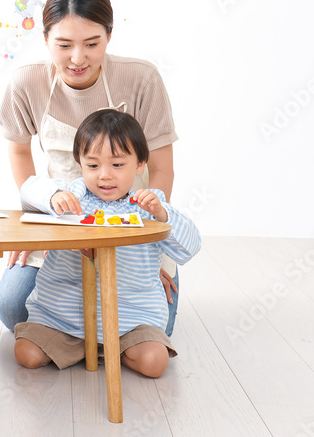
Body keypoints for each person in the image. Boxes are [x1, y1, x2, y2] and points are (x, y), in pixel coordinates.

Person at [0, 0, 182, 335]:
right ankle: (78, 330)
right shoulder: (27, 82)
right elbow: (19, 151)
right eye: (64, 45)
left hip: (131, 222)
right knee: (12, 308)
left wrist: (149, 246)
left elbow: (161, 168)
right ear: (45, 38)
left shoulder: (141, 78)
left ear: (109, 35)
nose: (78, 58)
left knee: (156, 327)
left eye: (92, 44)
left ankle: (82, 331)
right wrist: (34, 225)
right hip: (60, 219)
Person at [14, 109, 201, 377]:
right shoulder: (71, 197)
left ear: (140, 164)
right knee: (26, 353)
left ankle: (114, 349)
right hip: (64, 319)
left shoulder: (148, 205)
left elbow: (191, 247)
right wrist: (53, 196)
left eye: (117, 165)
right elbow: (28, 190)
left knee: (154, 361)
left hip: (130, 320)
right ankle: (85, 348)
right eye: (92, 166)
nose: (104, 175)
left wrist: (163, 214)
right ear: (79, 164)